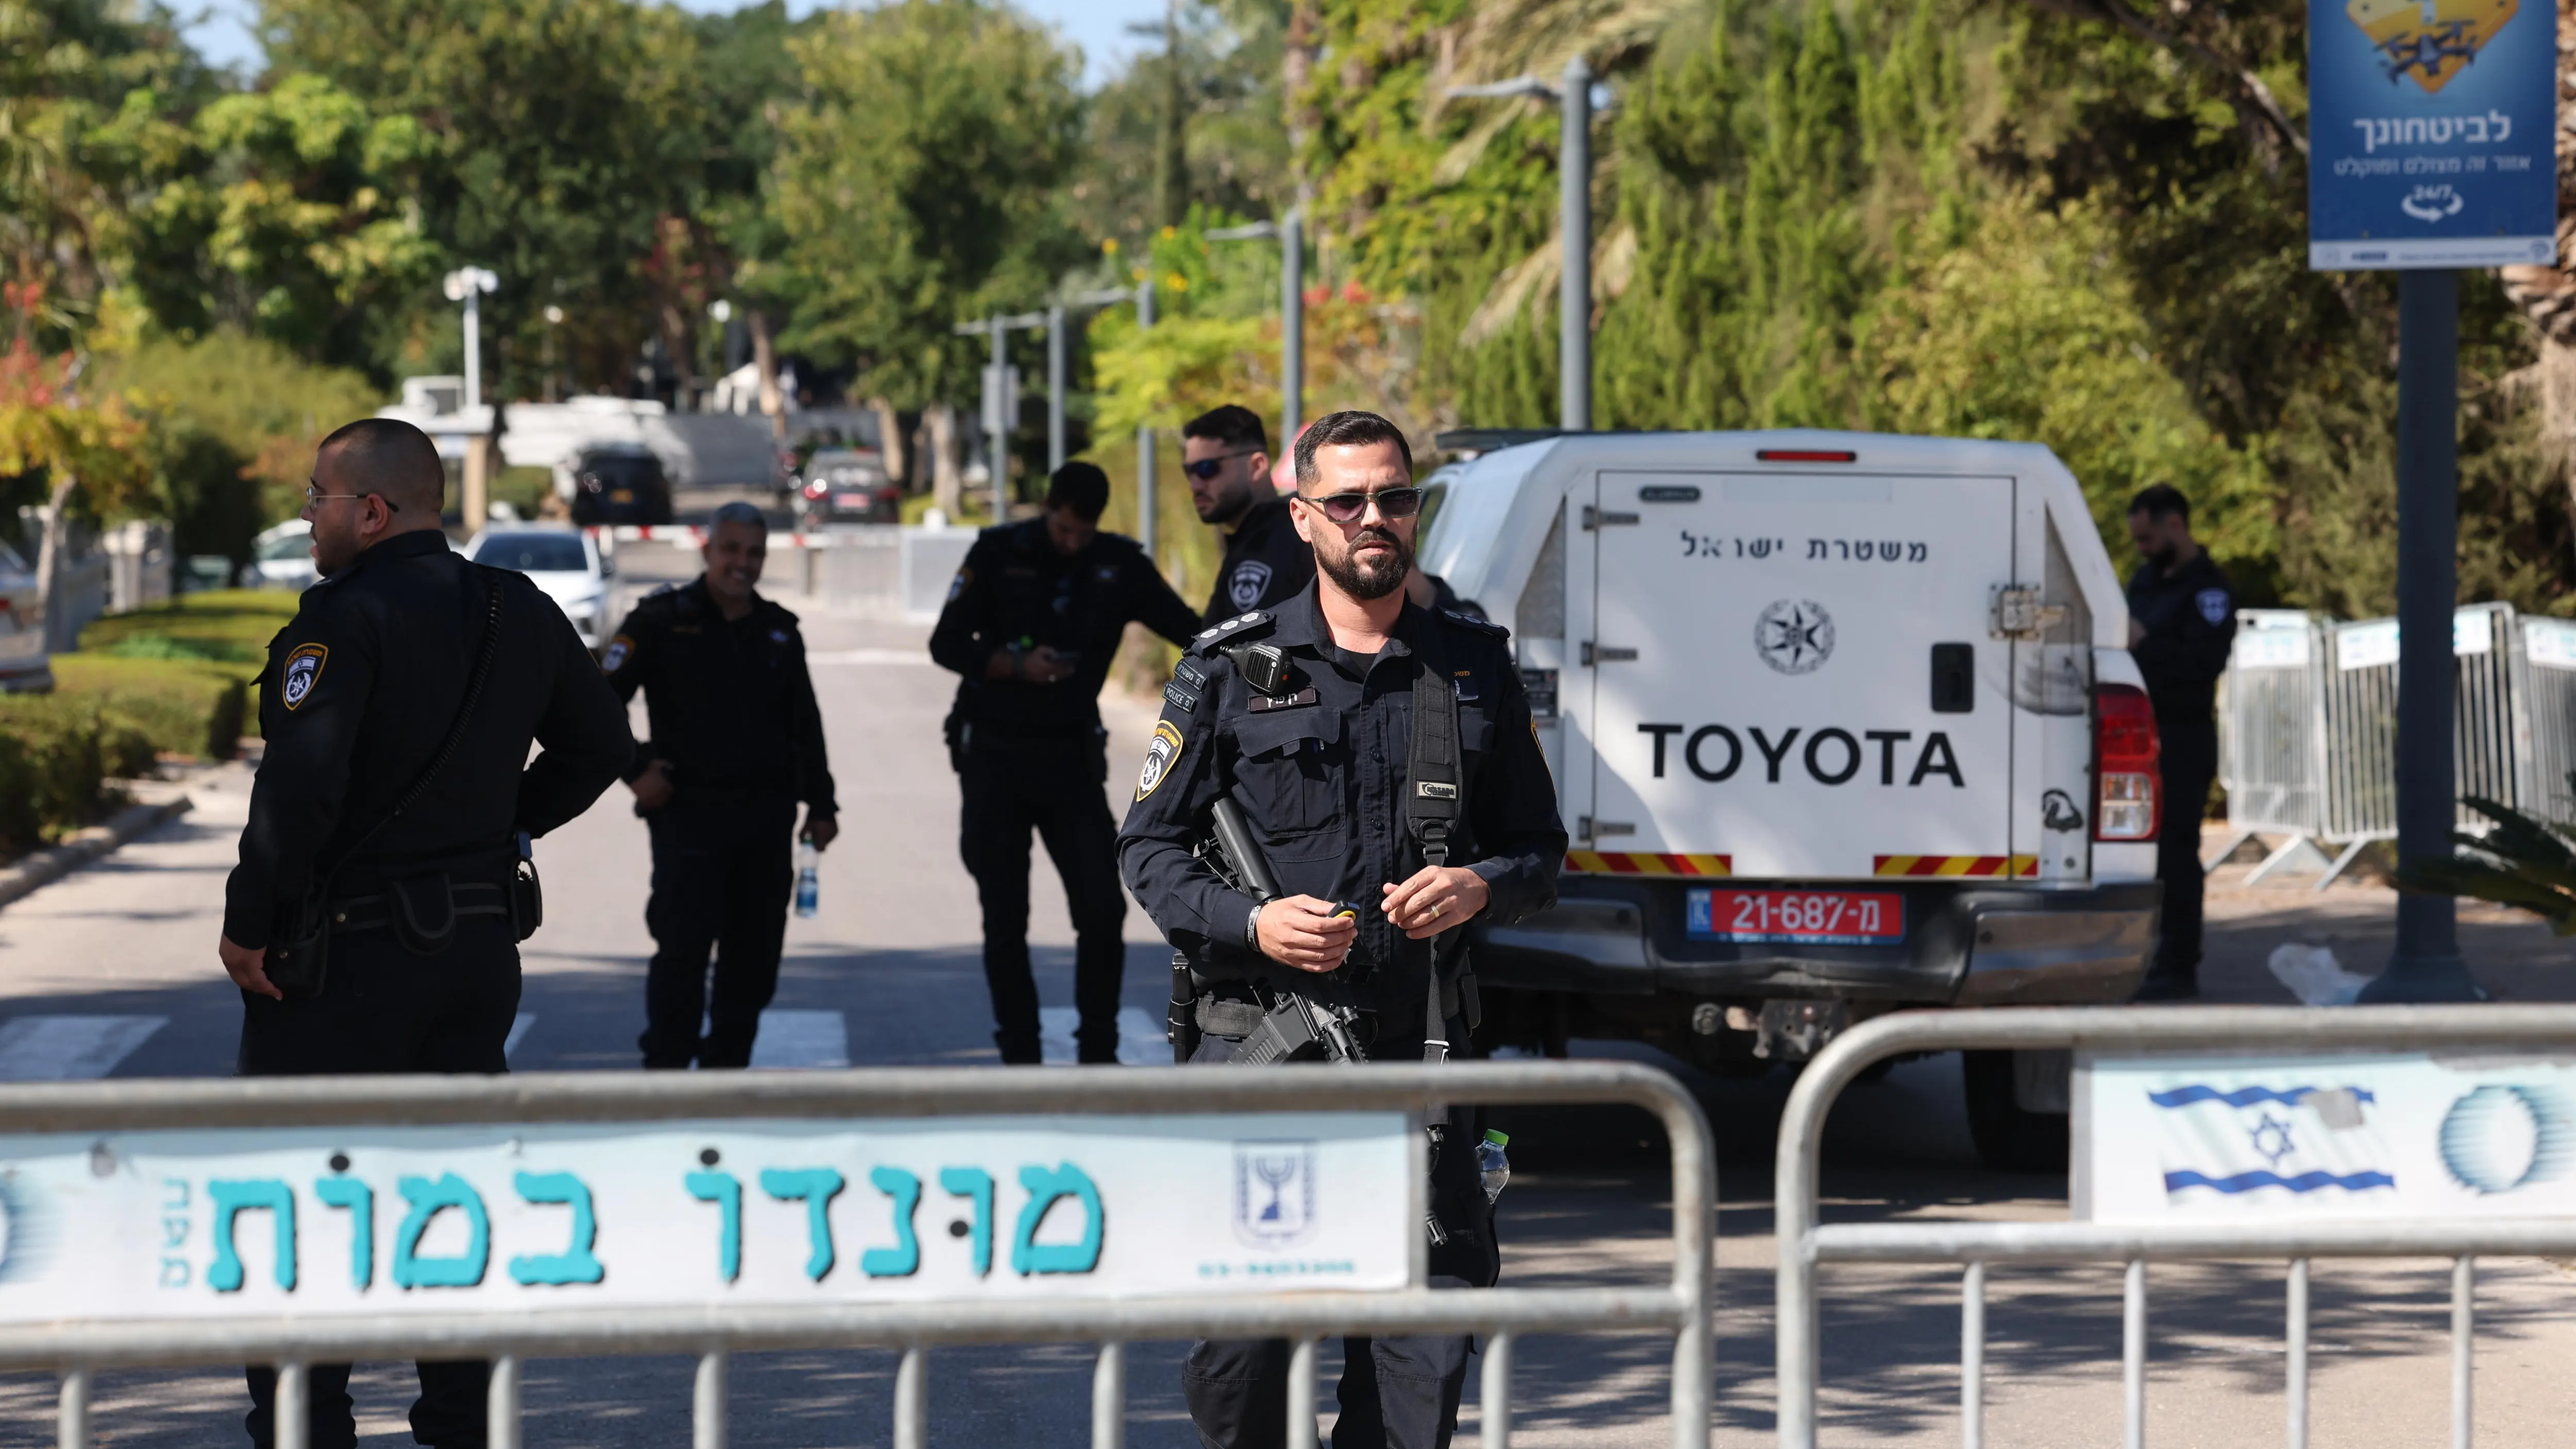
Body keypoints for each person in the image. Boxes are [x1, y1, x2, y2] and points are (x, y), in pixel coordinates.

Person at [1120, 410, 1566, 1449]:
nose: (1378, 518)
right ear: (1304, 515)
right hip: (1263, 1060)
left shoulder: (1468, 664)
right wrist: (1252, 918)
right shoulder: (1229, 667)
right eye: (1351, 500)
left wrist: (1479, 887)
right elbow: (1147, 849)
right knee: (1240, 1373)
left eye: (1396, 496)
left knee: (1420, 1365)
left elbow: (1539, 850)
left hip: (1420, 1056)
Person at [218, 417, 632, 1449]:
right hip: (475, 957)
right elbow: (602, 744)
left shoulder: (340, 619)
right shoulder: (516, 606)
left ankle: (308, 1428)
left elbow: (301, 789)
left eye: (318, 496)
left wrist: (248, 924)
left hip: (345, 963)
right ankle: (460, 1425)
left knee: (308, 1204)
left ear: (372, 510)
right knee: (452, 1201)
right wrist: (504, 819)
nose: (307, 515)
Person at [930, 461, 1202, 1063]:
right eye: (1063, 528)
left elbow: (1191, 630)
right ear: (1048, 508)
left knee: (1102, 909)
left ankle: (1097, 1051)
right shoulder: (998, 552)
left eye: (1084, 532)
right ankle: (1020, 1054)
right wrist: (1012, 664)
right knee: (1006, 917)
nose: (1072, 541)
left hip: (1069, 759)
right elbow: (945, 642)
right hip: (994, 756)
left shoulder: (1117, 563)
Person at [604, 502, 839, 1068]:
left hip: (765, 819)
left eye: (754, 552)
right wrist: (636, 769)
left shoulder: (780, 630)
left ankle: (726, 1080)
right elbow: (598, 700)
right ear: (708, 550)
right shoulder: (660, 619)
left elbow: (804, 723)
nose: (742, 563)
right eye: (731, 549)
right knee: (682, 955)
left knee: (753, 963)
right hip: (689, 817)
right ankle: (667, 1078)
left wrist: (823, 803)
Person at [2125, 484, 2237, 1000]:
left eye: (2148, 536)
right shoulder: (2143, 583)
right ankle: (2140, 957)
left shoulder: (2208, 592)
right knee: (2134, 853)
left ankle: (2177, 962)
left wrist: (2145, 644)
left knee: (2175, 852)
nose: (2142, 548)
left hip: (2181, 734)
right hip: (2134, 733)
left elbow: (2200, 665)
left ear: (2175, 524)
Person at [1185, 404, 1315, 623]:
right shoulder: (1248, 539)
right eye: (1189, 472)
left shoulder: (1288, 539)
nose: (1195, 485)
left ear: (1257, 466)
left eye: (1207, 469)